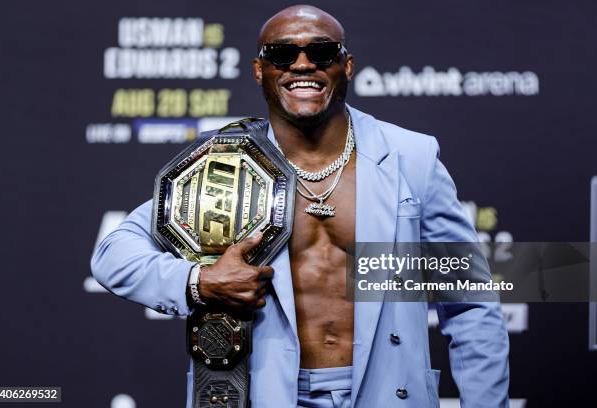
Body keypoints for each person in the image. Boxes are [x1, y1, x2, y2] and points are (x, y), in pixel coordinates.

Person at [91, 5, 510, 408]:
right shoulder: (226, 164)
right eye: (283, 54)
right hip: (265, 393)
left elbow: (471, 300)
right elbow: (113, 254)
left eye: (322, 51)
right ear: (260, 70)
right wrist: (198, 281)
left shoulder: (409, 157)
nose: (303, 64)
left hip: (389, 391)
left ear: (346, 66)